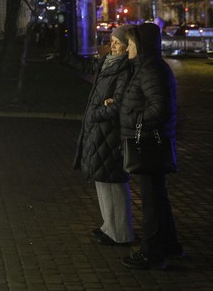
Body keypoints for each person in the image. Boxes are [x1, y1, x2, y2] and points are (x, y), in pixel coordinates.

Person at [119, 22, 183, 270]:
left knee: (151, 200)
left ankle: (152, 252)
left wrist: (135, 120)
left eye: (131, 44)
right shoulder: (149, 67)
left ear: (142, 45)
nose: (127, 50)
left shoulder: (150, 70)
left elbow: (160, 107)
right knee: (157, 196)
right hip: (152, 141)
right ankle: (169, 245)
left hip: (148, 143)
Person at [74, 25, 136, 246]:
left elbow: (117, 104)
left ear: (127, 46)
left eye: (118, 42)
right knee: (102, 180)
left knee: (115, 184)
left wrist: (96, 113)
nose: (112, 45)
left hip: (111, 133)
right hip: (99, 131)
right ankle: (108, 226)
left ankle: (121, 232)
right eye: (111, 40)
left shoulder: (124, 70)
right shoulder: (107, 64)